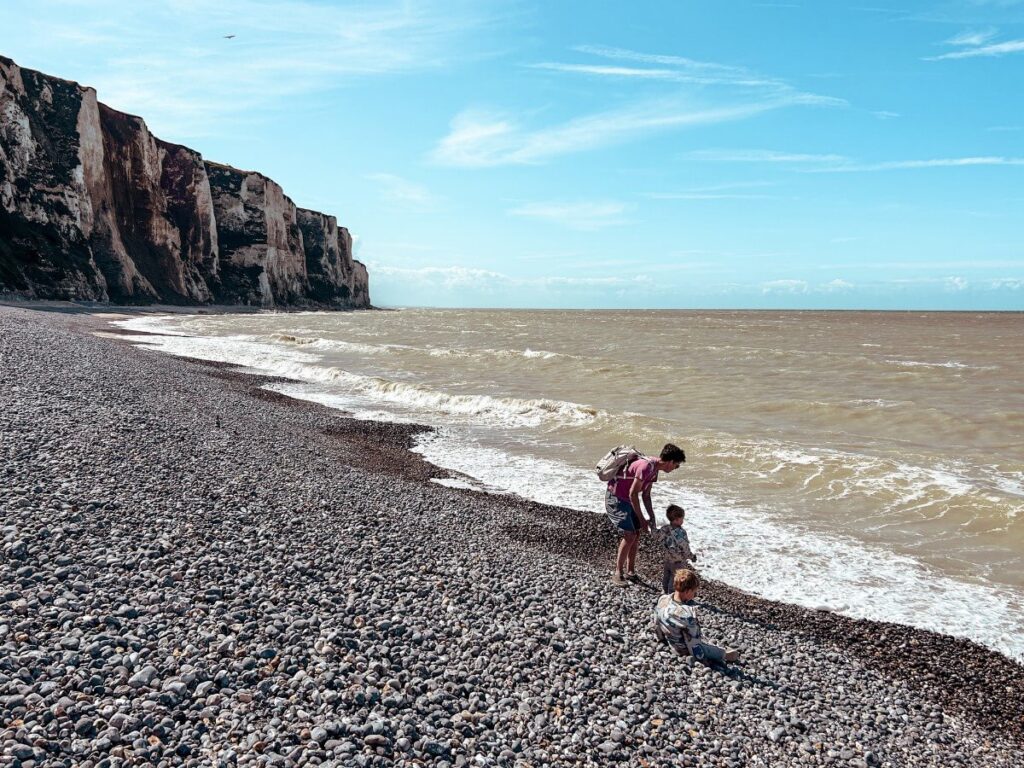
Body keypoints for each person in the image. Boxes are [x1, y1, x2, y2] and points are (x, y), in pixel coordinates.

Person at [606, 443, 686, 586]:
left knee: (636, 534)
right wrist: (642, 519)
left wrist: (651, 517)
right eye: (677, 465)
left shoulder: (654, 470)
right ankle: (618, 573)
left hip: (629, 500)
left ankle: (631, 572)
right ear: (670, 462)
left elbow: (646, 495)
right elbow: (633, 494)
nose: (675, 469)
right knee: (629, 535)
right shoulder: (646, 467)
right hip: (616, 498)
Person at [654, 568, 739, 664]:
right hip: (681, 649)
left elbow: (656, 623)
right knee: (709, 648)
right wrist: (702, 658)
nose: (695, 595)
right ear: (687, 591)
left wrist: (661, 639)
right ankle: (726, 655)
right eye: (694, 592)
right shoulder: (687, 615)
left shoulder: (663, 599)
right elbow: (694, 645)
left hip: (669, 640)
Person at [658, 503, 697, 594]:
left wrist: (651, 525)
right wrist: (692, 557)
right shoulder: (681, 533)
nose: (683, 520)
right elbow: (685, 548)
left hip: (667, 558)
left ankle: (664, 591)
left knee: (666, 575)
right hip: (678, 561)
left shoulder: (665, 528)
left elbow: (657, 536)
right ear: (676, 520)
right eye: (682, 519)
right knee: (675, 578)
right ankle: (671, 594)